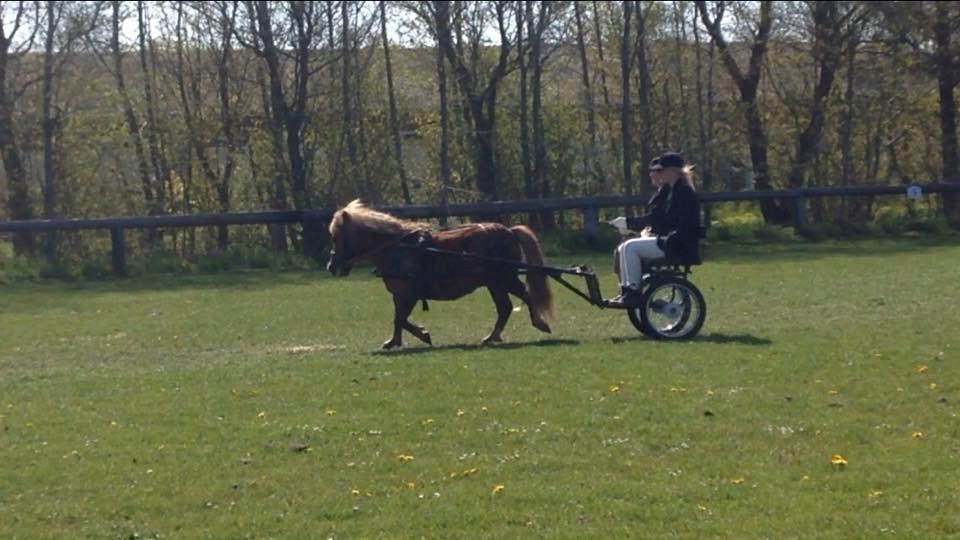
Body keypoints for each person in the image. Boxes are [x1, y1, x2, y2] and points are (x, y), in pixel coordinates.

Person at [606, 152, 702, 308]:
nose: (658, 174)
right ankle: (626, 290)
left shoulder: (683, 192)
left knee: (630, 247)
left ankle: (633, 291)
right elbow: (662, 218)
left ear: (672, 171)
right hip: (669, 241)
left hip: (677, 244)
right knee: (624, 247)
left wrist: (663, 236)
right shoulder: (672, 190)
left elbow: (682, 224)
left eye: (661, 170)